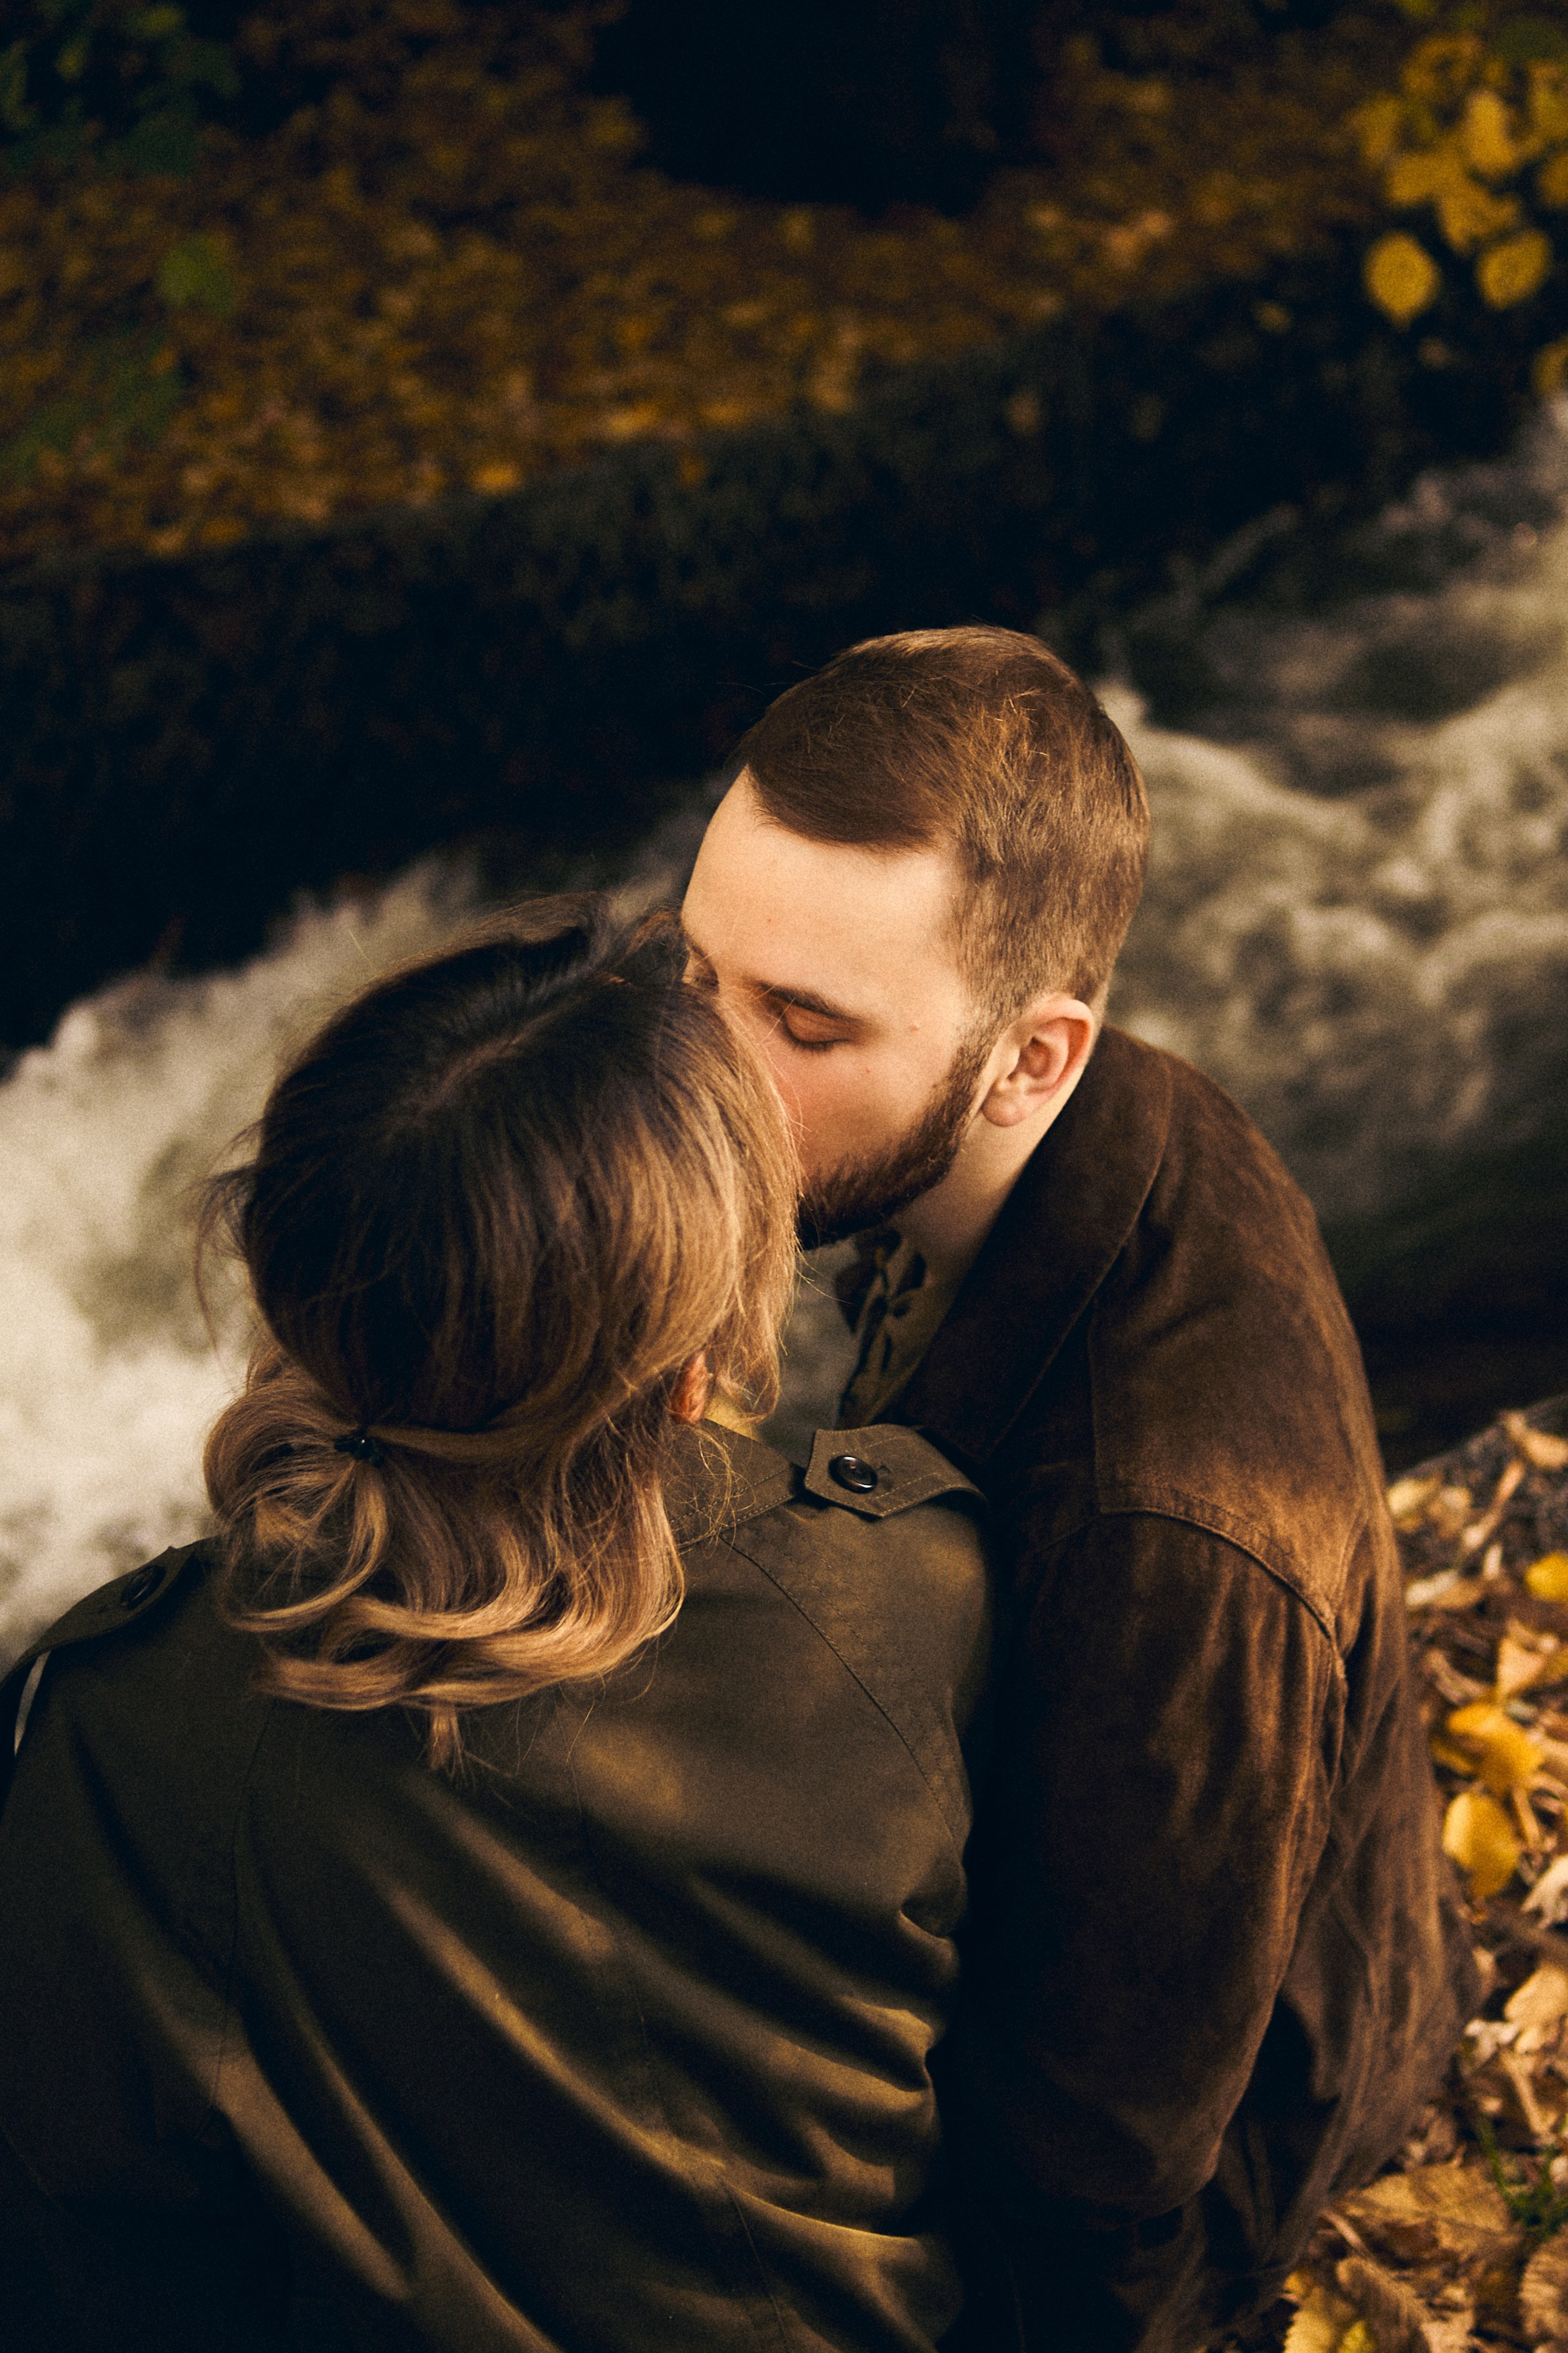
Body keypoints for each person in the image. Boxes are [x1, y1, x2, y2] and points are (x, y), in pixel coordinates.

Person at [0, 903, 996, 2353]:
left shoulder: (118, 1728)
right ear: (688, 1346)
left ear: (292, 1291)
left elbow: (87, 2252)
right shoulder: (912, 1592)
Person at [680, 626, 1479, 2353]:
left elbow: (1098, 2180)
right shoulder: (1084, 1125)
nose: (705, 1076)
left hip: (1204, 2170)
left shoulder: (1163, 1535)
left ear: (1031, 1057)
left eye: (802, 1024)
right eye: (699, 982)